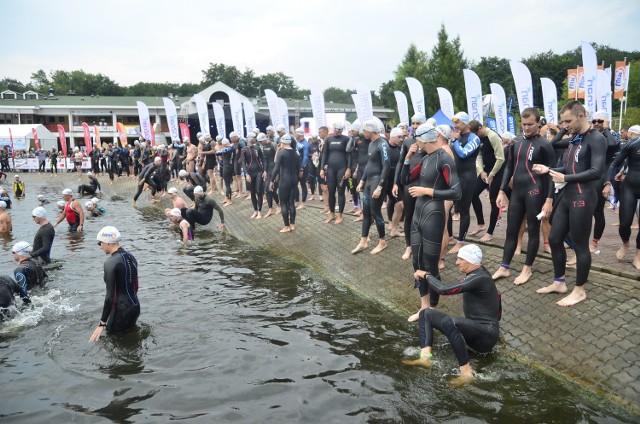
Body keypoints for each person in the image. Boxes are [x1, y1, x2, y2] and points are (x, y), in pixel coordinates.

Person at [532, 100, 606, 306]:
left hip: (583, 196)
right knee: (555, 239)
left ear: (581, 115)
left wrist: (564, 179)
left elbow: (596, 172)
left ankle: (580, 290)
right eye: (562, 121)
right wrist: (549, 170)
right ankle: (559, 282)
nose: (564, 125)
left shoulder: (596, 138)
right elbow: (569, 166)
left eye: (568, 121)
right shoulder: (575, 138)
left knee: (581, 246)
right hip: (567, 195)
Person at [403, 244, 501, 386]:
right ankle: (425, 358)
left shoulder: (480, 278)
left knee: (449, 322)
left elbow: (444, 290)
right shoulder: (477, 274)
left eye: (460, 259)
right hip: (475, 331)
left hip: (485, 336)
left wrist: (426, 275)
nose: (456, 263)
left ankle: (466, 373)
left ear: (470, 260)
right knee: (425, 313)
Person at [401, 125, 461, 319]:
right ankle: (424, 305)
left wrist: (426, 191)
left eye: (415, 139)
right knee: (416, 262)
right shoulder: (425, 159)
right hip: (418, 215)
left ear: (423, 140)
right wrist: (407, 158)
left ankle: (433, 306)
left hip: (433, 215)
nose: (413, 142)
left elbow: (456, 191)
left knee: (430, 265)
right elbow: (406, 179)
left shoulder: (444, 159)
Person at [492, 108, 555, 285]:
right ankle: (504, 267)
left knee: (533, 231)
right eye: (524, 124)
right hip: (518, 192)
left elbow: (552, 173)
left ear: (538, 123)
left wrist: (549, 199)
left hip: (536, 192)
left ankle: (527, 269)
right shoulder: (516, 142)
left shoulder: (545, 144)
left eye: (530, 124)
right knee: (511, 230)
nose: (526, 128)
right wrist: (502, 190)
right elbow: (508, 167)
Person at [89, 226, 140, 341]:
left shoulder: (110, 262)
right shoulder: (131, 256)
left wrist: (102, 323)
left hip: (121, 310)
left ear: (107, 242)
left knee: (114, 342)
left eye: (99, 243)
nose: (100, 247)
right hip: (135, 306)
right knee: (132, 340)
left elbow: (109, 297)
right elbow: (136, 285)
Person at [352, 120, 391, 255]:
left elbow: (387, 166)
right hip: (369, 181)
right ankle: (363, 241)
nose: (363, 133)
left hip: (378, 182)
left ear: (371, 131)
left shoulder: (383, 143)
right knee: (366, 212)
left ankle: (382, 242)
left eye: (365, 131)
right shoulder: (371, 144)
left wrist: (380, 186)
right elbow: (369, 164)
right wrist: (362, 180)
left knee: (376, 212)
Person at [603, 125, 640, 269]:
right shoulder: (633, 143)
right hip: (630, 187)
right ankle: (625, 244)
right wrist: (607, 182)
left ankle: (638, 255)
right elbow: (614, 164)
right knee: (624, 224)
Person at [394, 114, 426, 260]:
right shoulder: (408, 141)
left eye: (418, 123)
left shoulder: (429, 142)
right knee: (409, 216)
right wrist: (396, 182)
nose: (414, 126)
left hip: (425, 185)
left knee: (424, 217)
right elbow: (401, 163)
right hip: (409, 184)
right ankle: (409, 246)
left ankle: (423, 244)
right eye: (412, 123)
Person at [449, 112, 481, 254]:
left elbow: (463, 154)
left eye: (458, 123)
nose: (455, 126)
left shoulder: (474, 138)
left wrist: (455, 141)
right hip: (456, 176)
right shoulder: (458, 137)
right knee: (449, 207)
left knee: (463, 210)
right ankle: (450, 237)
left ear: (466, 123)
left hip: (467, 177)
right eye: (454, 123)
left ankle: (460, 241)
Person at [468, 121, 505, 241]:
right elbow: (479, 155)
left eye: (475, 134)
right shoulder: (479, 138)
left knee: (493, 201)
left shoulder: (493, 136)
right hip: (486, 172)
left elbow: (500, 158)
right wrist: (481, 171)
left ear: (480, 128)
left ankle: (490, 232)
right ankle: (481, 224)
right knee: (472, 194)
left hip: (497, 172)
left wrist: (492, 174)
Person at [589, 111, 620, 252]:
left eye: (600, 121)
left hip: (601, 177)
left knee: (597, 211)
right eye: (594, 121)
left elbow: (613, 145)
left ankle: (595, 242)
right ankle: (580, 239)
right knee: (582, 210)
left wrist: (606, 128)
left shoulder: (609, 137)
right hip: (587, 175)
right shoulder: (589, 135)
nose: (596, 123)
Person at [320, 122, 352, 224]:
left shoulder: (346, 139)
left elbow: (349, 155)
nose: (339, 131)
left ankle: (340, 215)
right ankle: (332, 214)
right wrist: (321, 168)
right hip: (331, 169)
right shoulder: (329, 139)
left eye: (341, 130)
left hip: (342, 168)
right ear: (334, 129)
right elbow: (325, 154)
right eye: (337, 129)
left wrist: (349, 169)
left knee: (341, 192)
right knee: (331, 191)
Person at [270, 135, 301, 233]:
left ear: (282, 142)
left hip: (285, 181)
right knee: (291, 203)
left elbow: (276, 167)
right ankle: (292, 224)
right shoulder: (296, 153)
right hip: (294, 180)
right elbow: (298, 169)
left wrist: (272, 180)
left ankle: (286, 226)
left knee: (283, 203)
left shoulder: (282, 153)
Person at [241, 136, 266, 219]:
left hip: (259, 172)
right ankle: (255, 210)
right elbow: (243, 163)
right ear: (247, 140)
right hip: (250, 173)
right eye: (249, 139)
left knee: (259, 191)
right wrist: (246, 174)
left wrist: (265, 171)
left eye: (252, 139)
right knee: (252, 192)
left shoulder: (257, 148)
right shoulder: (244, 149)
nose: (251, 140)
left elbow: (263, 159)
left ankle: (259, 211)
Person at [294, 127, 310, 209]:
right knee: (295, 184)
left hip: (303, 168)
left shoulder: (306, 144)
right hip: (296, 167)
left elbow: (306, 157)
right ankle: (296, 201)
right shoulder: (296, 142)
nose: (294, 134)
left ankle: (303, 203)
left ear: (299, 134)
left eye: (295, 133)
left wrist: (301, 169)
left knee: (303, 184)